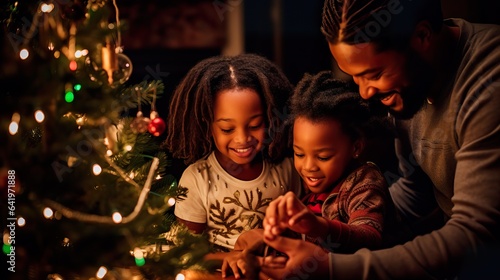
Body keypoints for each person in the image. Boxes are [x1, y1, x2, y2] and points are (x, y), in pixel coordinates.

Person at [257, 0, 500, 279]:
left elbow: (475, 234)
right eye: (355, 78)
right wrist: (317, 226)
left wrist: (330, 267)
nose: (363, 93)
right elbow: (413, 196)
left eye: (373, 74)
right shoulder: (411, 83)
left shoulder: (489, 80)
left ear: (421, 37)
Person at [221, 71, 398, 279]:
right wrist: (249, 253)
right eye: (299, 154)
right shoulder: (310, 192)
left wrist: (317, 227)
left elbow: (369, 236)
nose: (308, 167)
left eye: (323, 157)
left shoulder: (365, 181)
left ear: (356, 146)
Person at [162, 53, 302, 261]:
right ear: (208, 126)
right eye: (227, 129)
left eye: (255, 126)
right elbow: (185, 250)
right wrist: (227, 258)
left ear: (271, 118)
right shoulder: (197, 179)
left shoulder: (286, 168)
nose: (242, 139)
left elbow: (300, 230)